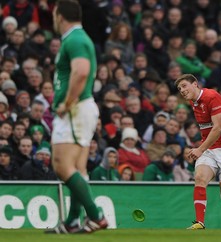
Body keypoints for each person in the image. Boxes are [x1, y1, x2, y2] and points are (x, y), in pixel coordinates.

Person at [47, 0, 107, 234]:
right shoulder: (78, 38)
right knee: (78, 169)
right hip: (81, 108)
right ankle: (73, 221)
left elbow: (81, 71)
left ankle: (96, 215)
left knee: (62, 166)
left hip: (75, 108)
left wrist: (67, 103)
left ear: (59, 15)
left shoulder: (75, 39)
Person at [175, 74, 221, 230]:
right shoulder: (194, 103)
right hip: (209, 150)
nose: (182, 90)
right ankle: (199, 222)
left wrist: (199, 149)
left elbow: (217, 128)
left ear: (195, 84)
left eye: (184, 86)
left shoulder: (212, 97)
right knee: (200, 178)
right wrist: (201, 148)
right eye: (179, 89)